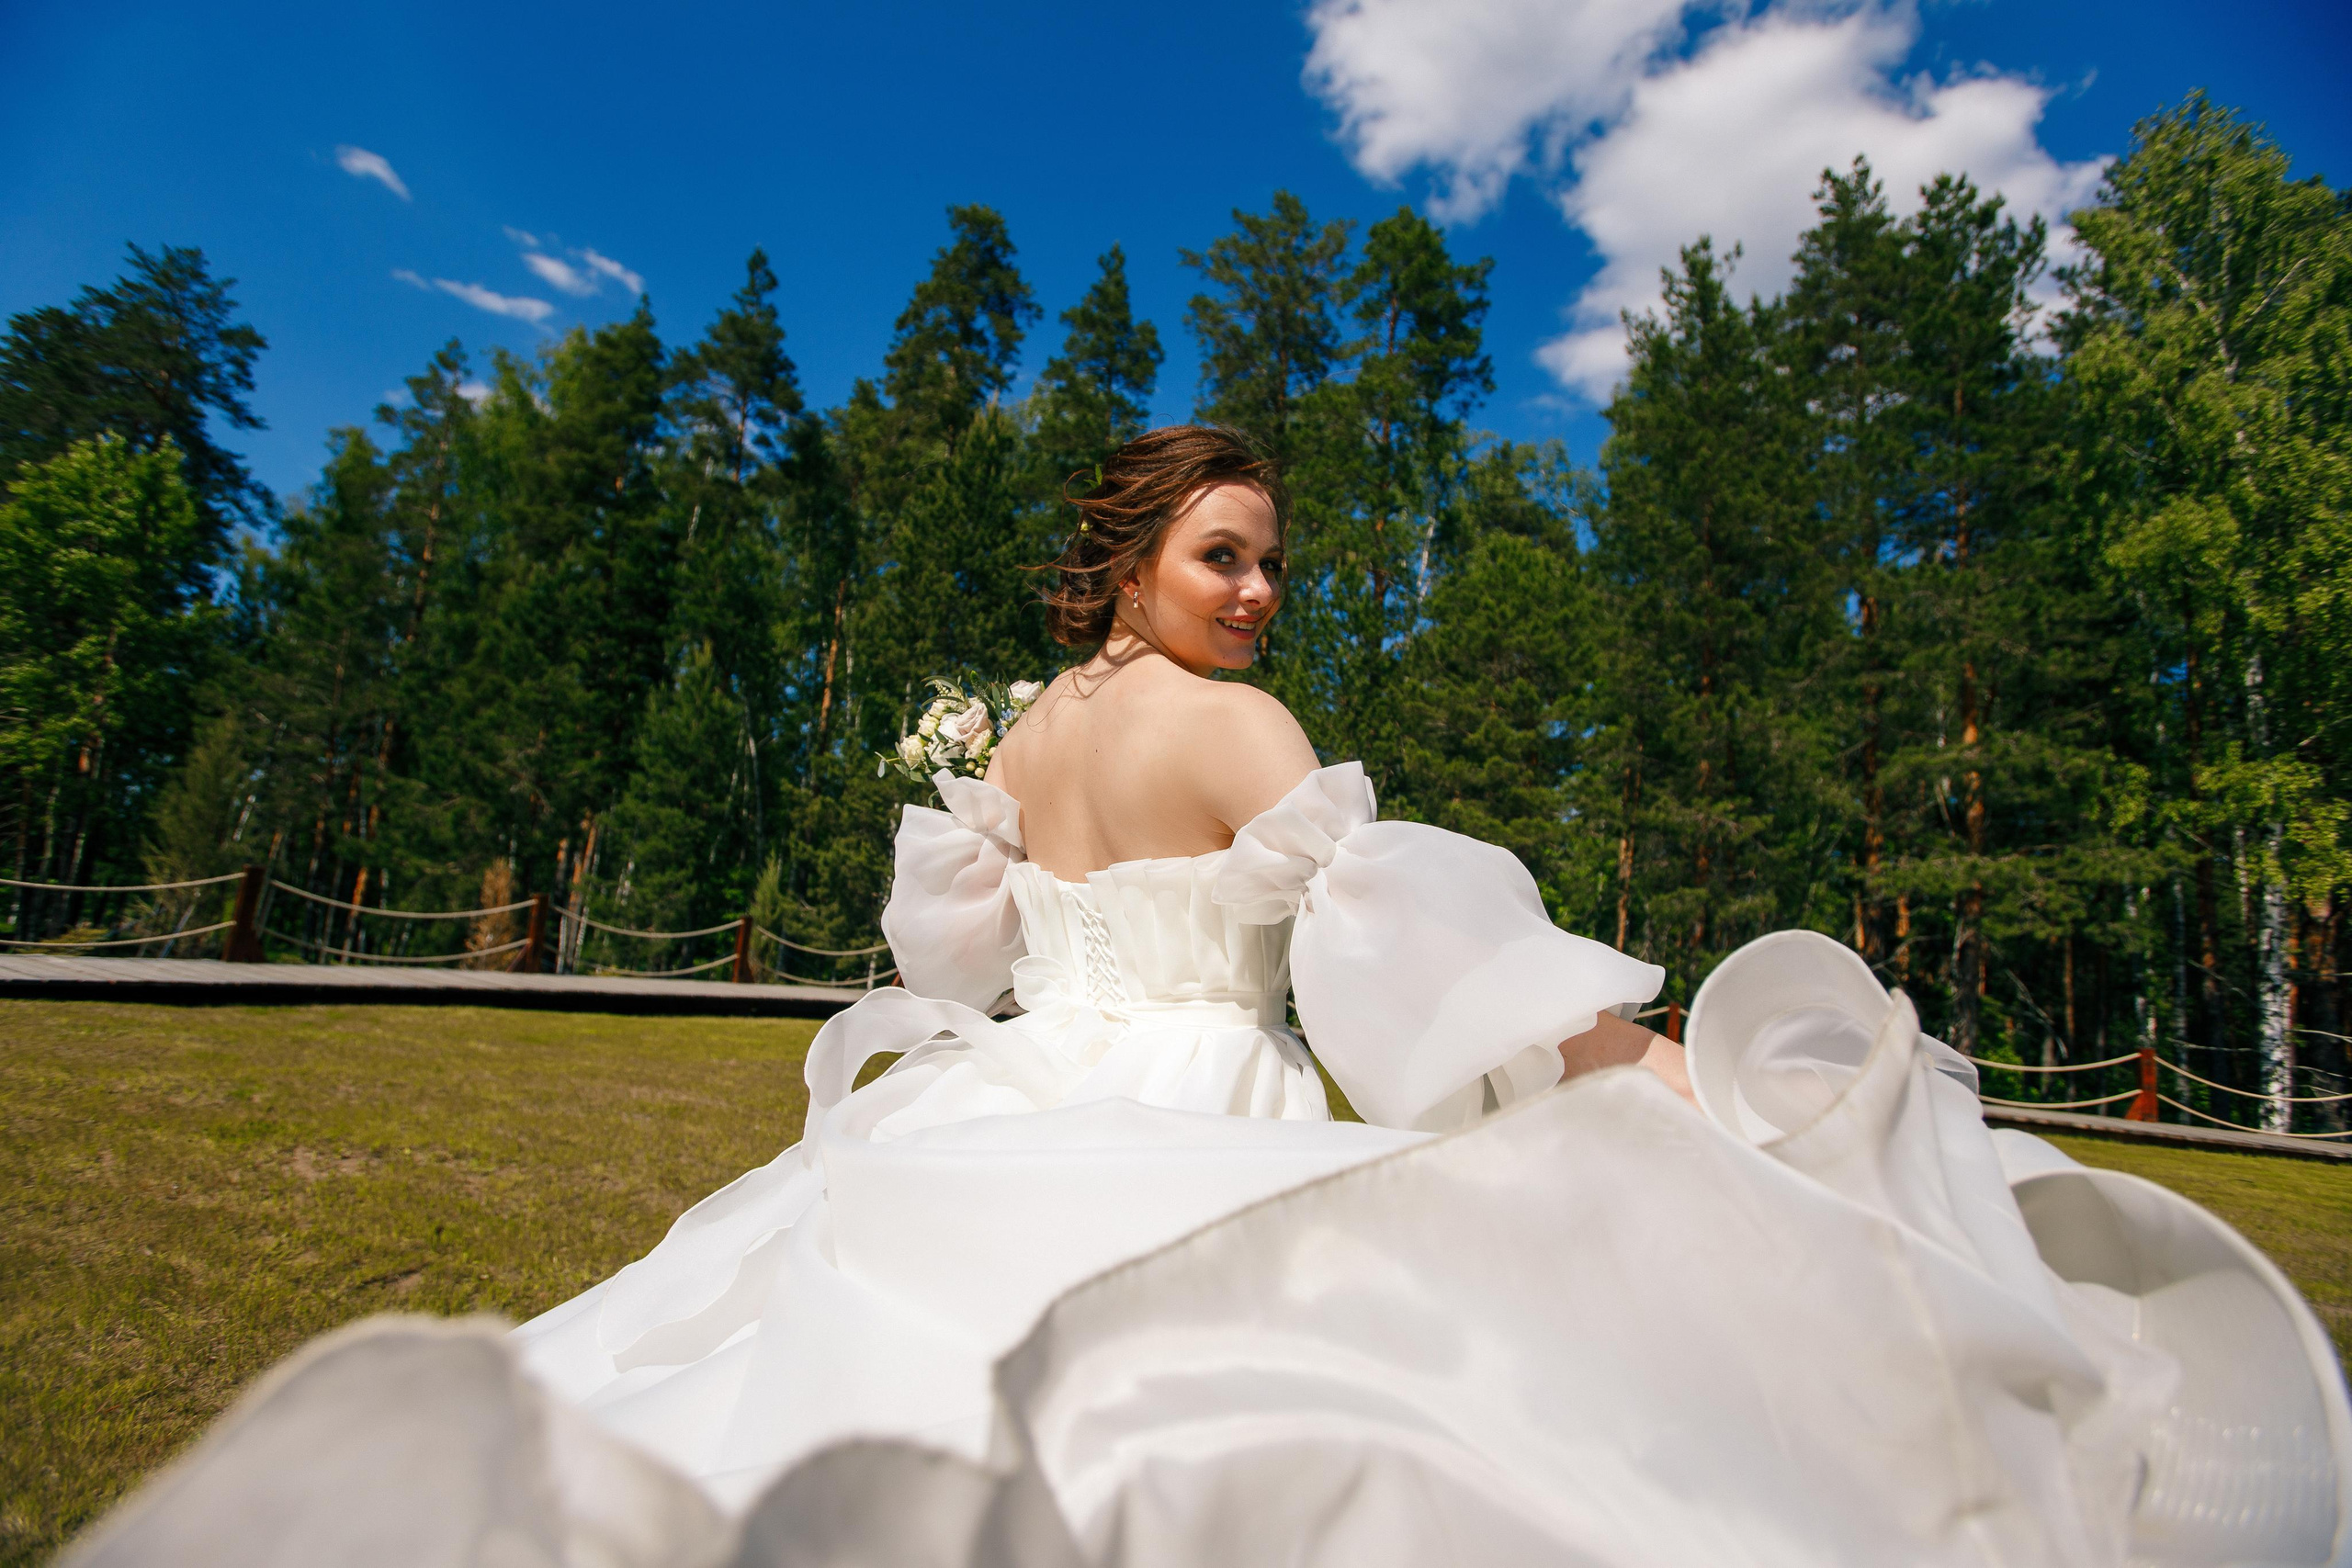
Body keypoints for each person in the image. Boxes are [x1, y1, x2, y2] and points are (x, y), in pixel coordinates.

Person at [65, 428, 2351, 1568]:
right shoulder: (1240, 740)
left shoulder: (1009, 749)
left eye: (1272, 561)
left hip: (995, 1100)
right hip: (1187, 1103)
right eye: (1222, 553)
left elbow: (943, 961)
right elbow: (1399, 965)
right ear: (1136, 560)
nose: (1258, 591)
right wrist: (1635, 1051)